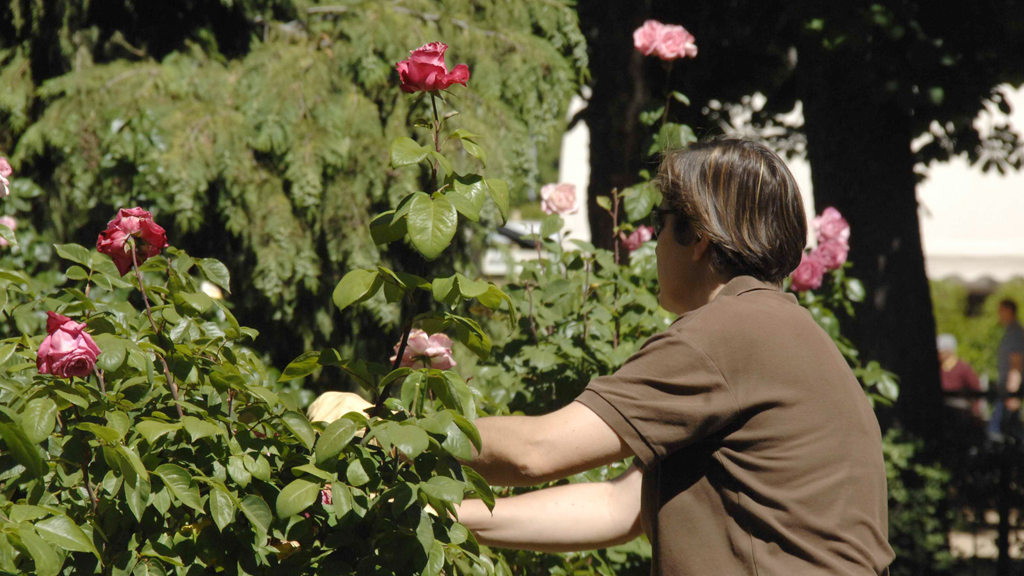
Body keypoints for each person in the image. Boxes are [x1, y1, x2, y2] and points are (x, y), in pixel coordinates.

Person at [457, 139, 894, 575]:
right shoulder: (798, 338)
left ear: (699, 236)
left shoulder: (726, 335)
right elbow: (618, 507)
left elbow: (536, 451)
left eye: (660, 220)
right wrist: (446, 513)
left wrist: (404, 438)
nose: (657, 240)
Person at [995, 299, 1024, 439]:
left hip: (1009, 391)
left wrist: (1012, 393)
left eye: (1001, 310)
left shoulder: (1015, 333)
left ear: (1008, 311)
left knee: (1002, 431)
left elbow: (1016, 364)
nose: (998, 314)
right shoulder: (1011, 331)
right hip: (1007, 390)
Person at [937, 333, 982, 418]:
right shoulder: (937, 367)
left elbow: (975, 388)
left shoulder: (962, 367)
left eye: (940, 351)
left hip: (959, 409)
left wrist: (975, 411)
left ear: (948, 351)